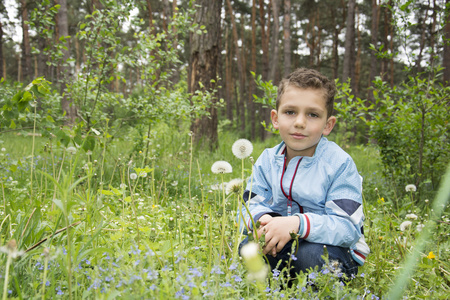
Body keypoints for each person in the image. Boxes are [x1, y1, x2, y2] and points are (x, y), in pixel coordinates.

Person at [239, 68, 369, 280]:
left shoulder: (339, 164)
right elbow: (248, 204)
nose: (299, 122)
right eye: (290, 112)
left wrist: (297, 224)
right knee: (248, 246)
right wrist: (261, 222)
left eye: (313, 114)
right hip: (280, 242)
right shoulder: (266, 160)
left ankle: (303, 280)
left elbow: (347, 228)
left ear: (328, 125)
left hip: (333, 249)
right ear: (275, 118)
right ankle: (282, 279)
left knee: (312, 257)